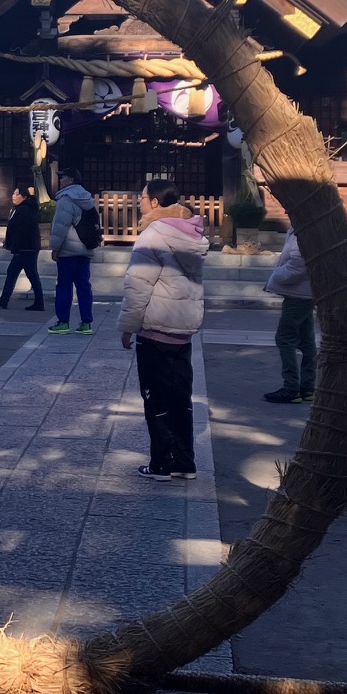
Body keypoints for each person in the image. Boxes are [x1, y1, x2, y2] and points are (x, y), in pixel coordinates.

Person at [120, 179, 209, 480]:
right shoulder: (192, 234)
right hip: (182, 329)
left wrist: (127, 328)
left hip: (156, 328)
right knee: (180, 398)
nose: (140, 201)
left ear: (155, 203)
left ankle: (160, 463)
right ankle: (184, 461)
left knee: (155, 398)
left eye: (143, 197)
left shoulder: (154, 235)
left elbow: (138, 286)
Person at [263, 225, 315, 404]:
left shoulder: (304, 231)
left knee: (284, 338)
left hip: (298, 293)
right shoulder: (301, 229)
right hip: (305, 291)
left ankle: (291, 387)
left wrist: (276, 275)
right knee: (307, 340)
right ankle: (308, 386)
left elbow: (298, 264)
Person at [46, 168, 97, 335]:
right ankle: (86, 322)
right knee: (84, 286)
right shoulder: (87, 198)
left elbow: (60, 226)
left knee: (64, 286)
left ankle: (63, 321)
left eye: (64, 177)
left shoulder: (66, 199)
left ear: (72, 179)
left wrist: (55, 247)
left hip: (69, 250)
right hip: (85, 248)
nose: (61, 180)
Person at [0, 183, 45, 310]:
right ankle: (4, 299)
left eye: (17, 194)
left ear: (24, 196)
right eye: (13, 193)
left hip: (26, 248)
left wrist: (14, 246)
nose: (13, 196)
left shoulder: (25, 210)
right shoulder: (20, 209)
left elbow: (22, 231)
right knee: (13, 272)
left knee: (31, 274)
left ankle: (39, 302)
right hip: (23, 248)